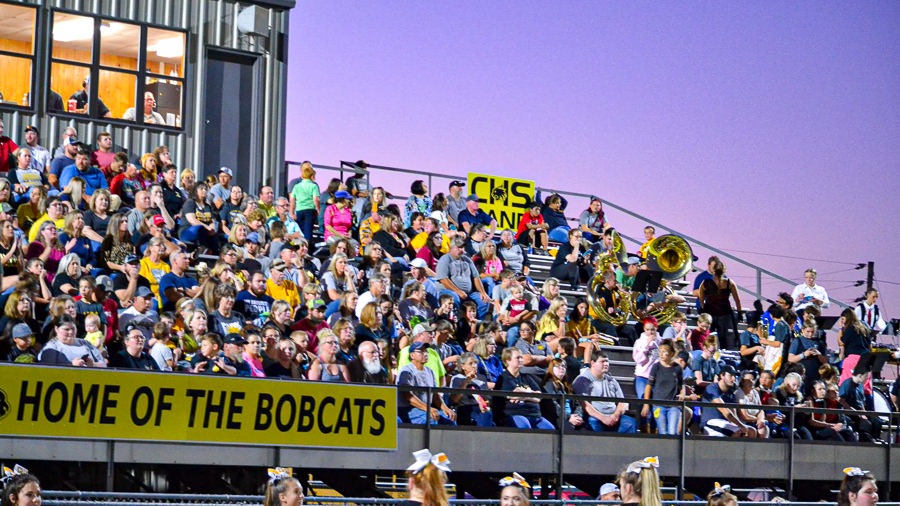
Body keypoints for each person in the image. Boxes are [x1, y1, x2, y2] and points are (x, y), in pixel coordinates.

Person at [573, 349, 637, 433]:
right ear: (592, 363)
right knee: (593, 422)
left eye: (607, 361)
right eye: (602, 362)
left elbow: (623, 402)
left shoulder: (611, 380)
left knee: (630, 422)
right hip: (595, 417)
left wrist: (615, 416)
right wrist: (604, 418)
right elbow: (585, 406)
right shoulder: (583, 380)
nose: (606, 364)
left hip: (614, 417)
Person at [492, 347, 554, 429]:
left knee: (550, 429)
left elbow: (539, 397)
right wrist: (531, 393)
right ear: (508, 360)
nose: (521, 360)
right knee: (525, 426)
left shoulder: (527, 377)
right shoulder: (504, 378)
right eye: (518, 358)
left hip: (534, 415)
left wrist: (523, 393)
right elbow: (513, 395)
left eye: (521, 357)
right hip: (515, 414)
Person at [397, 341, 456, 424]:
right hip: (408, 409)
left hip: (424, 408)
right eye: (421, 351)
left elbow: (435, 395)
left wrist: (445, 408)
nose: (425, 354)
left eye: (426, 351)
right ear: (412, 355)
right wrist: (429, 409)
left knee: (450, 420)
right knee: (432, 420)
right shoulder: (406, 371)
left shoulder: (430, 371)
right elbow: (408, 396)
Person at [436, 237, 491, 318]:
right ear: (451, 248)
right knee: (453, 299)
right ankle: (456, 324)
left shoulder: (467, 260)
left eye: (462, 247)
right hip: (450, 291)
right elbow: (444, 279)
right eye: (459, 247)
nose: (462, 250)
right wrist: (458, 292)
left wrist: (483, 292)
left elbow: (476, 277)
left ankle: (478, 325)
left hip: (469, 293)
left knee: (483, 301)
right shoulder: (445, 259)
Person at [697, 258, 742, 350]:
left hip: (710, 313)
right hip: (725, 314)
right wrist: (740, 313)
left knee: (709, 337)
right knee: (724, 339)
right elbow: (737, 300)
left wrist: (703, 309)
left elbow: (701, 298)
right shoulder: (729, 283)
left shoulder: (705, 283)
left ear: (713, 271)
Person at [700, 364, 757, 438]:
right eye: (731, 375)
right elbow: (724, 410)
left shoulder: (730, 392)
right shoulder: (712, 388)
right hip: (709, 423)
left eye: (735, 376)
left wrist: (738, 425)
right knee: (738, 431)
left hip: (725, 423)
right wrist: (740, 425)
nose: (733, 379)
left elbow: (733, 413)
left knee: (751, 431)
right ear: (722, 375)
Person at [37, 315, 106, 367]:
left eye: (73, 328)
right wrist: (71, 365)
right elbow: (47, 371)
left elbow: (104, 365)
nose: (71, 332)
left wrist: (94, 364)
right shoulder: (51, 347)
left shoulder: (85, 343)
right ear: (56, 329)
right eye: (66, 329)